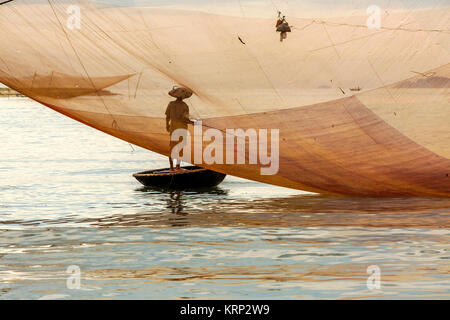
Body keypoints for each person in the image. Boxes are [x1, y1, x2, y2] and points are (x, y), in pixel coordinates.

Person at [165, 94, 194, 171]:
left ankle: (171, 167)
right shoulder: (185, 106)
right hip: (182, 128)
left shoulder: (171, 104)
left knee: (172, 147)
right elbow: (184, 119)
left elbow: (167, 116)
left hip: (173, 128)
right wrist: (191, 122)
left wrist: (167, 125)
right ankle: (178, 166)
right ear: (183, 97)